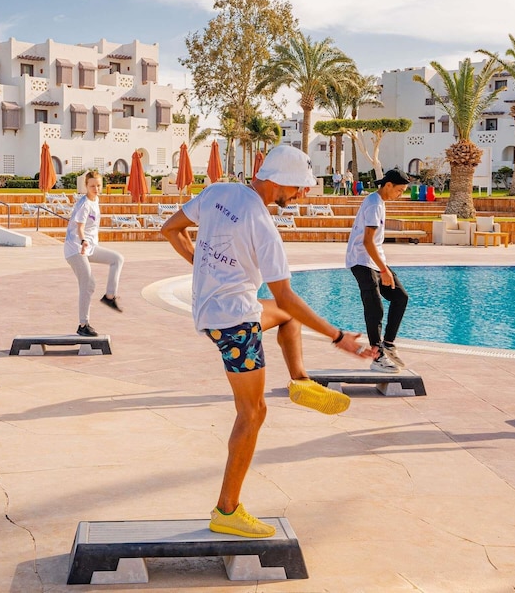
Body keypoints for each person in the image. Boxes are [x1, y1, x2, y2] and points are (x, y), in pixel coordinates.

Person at [161, 145, 374, 539]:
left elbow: (170, 229)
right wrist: (338, 337)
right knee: (253, 413)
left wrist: (204, 269)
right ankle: (227, 511)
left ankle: (301, 381)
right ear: (279, 181)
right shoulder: (263, 225)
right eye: (299, 187)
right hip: (235, 324)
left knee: (286, 318)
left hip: (213, 310)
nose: (302, 194)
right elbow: (287, 295)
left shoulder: (218, 192)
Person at [346, 168, 412, 373]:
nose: (400, 195)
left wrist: (382, 267)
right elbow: (367, 241)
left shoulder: (379, 202)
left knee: (400, 297)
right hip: (361, 260)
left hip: (373, 260)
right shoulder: (374, 204)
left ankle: (388, 344)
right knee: (375, 307)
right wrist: (384, 270)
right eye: (399, 190)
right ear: (388, 185)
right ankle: (377, 356)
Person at [64, 171, 123, 336]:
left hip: (89, 247)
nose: (96, 189)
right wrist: (83, 240)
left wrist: (88, 243)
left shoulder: (95, 200)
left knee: (117, 259)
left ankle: (109, 297)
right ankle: (83, 325)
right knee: (88, 284)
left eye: (98, 185)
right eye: (92, 186)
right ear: (86, 186)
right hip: (75, 248)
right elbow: (80, 227)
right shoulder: (84, 204)